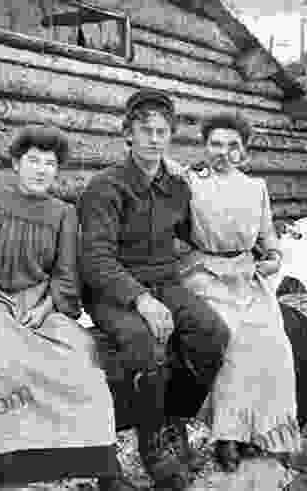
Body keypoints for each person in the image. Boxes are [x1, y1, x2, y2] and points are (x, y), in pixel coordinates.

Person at [78, 89, 232, 490]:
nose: (154, 139)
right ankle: (151, 443)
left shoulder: (176, 187)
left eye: (162, 132)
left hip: (166, 282)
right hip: (113, 290)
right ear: (127, 135)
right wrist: (141, 300)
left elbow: (195, 233)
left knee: (212, 334)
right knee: (142, 342)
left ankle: (174, 419)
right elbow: (95, 260)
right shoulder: (105, 188)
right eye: (144, 131)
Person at [0, 126, 123, 489]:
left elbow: (66, 272)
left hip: (42, 301)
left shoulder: (64, 213)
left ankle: (95, 460)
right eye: (33, 161)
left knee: (81, 357)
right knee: (0, 363)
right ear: (16, 164)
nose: (41, 170)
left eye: (49, 164)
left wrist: (47, 306)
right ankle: (3, 464)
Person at [177, 112, 302, 472]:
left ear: (244, 151)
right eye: (215, 144)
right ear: (204, 147)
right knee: (231, 343)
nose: (223, 152)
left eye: (233, 146)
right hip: (206, 275)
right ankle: (227, 437)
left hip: (248, 276)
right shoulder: (190, 183)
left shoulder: (255, 187)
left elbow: (268, 238)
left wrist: (274, 258)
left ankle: (268, 433)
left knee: (273, 342)